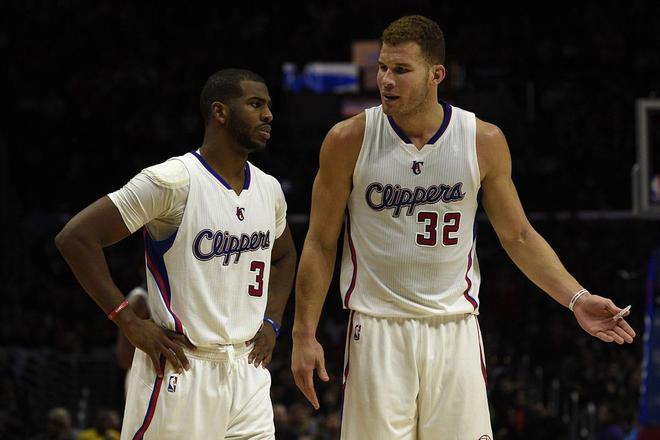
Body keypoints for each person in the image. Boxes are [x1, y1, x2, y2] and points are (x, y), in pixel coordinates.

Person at [291, 15, 636, 440]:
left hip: (454, 328)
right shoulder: (348, 140)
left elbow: (519, 236)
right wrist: (303, 333)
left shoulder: (482, 140)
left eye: (401, 69)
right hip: (378, 327)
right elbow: (320, 242)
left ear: (436, 74)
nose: (386, 80)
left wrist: (576, 298)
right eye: (382, 67)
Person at [56, 68, 297, 439]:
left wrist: (273, 322)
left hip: (248, 372)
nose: (268, 115)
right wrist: (129, 322)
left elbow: (284, 256)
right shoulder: (172, 180)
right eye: (255, 104)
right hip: (182, 368)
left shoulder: (269, 189)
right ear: (220, 112)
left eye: (268, 106)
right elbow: (76, 237)